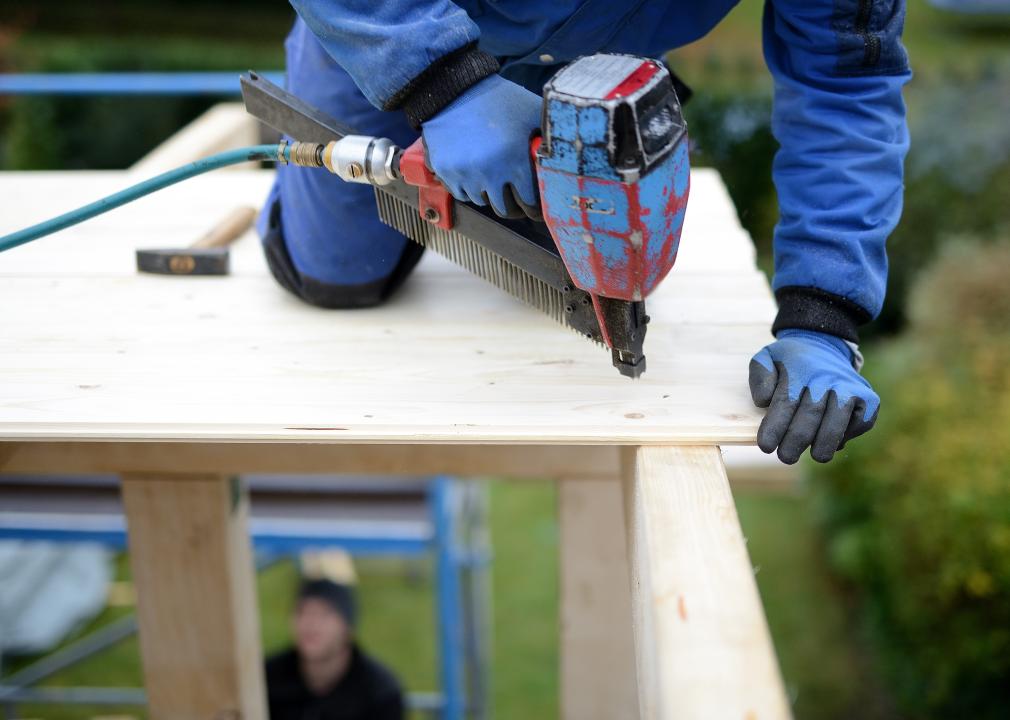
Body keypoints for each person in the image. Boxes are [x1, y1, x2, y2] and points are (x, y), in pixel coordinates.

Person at [257, 1, 910, 465]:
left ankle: (486, 145)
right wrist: (443, 83)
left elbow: (844, 86)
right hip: (386, 26)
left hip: (585, 71)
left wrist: (823, 318)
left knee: (586, 274)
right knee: (336, 278)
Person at [265, 578, 404, 720]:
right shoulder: (267, 678)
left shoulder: (379, 691)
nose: (311, 623)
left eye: (325, 614)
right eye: (302, 612)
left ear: (348, 627)